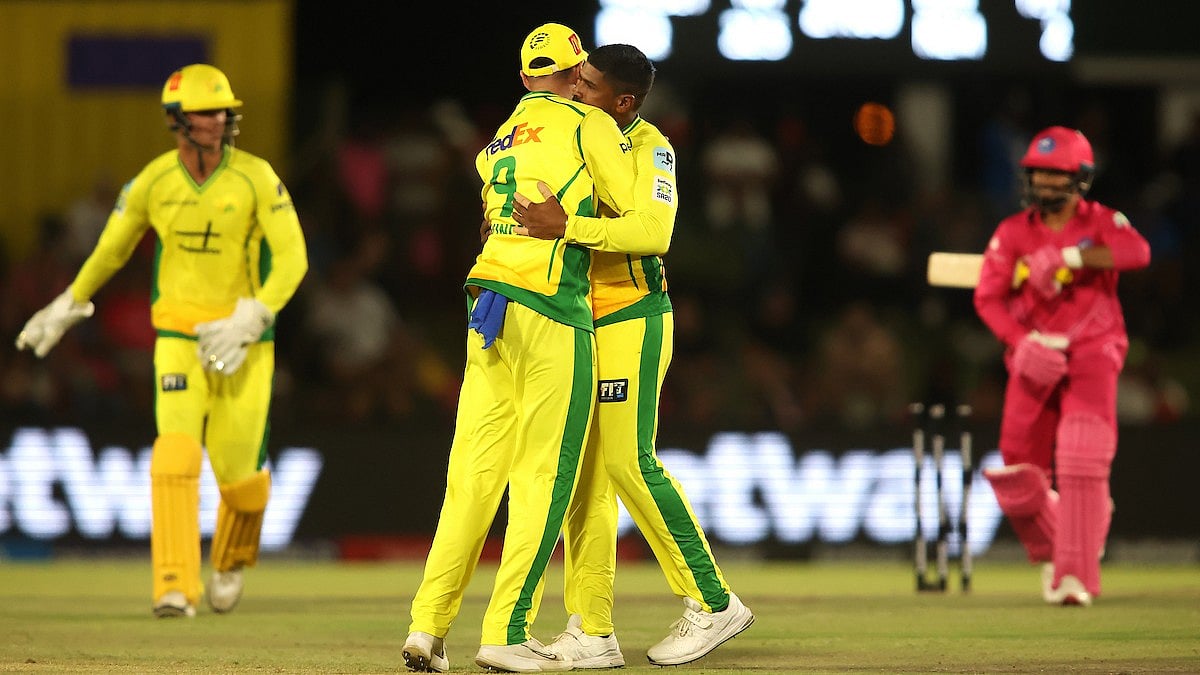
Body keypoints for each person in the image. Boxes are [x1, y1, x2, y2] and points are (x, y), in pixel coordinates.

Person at [401, 23, 654, 673]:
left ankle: (427, 628)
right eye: (583, 77)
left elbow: (494, 214)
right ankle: (508, 630)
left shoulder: (497, 141)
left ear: (523, 79)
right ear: (576, 76)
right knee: (545, 475)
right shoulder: (587, 124)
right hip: (551, 306)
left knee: (472, 478)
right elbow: (637, 217)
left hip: (486, 303)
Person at [14, 64, 308, 618]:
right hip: (177, 336)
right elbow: (112, 249)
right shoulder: (153, 182)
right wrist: (67, 303)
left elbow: (293, 255)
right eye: (204, 112)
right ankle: (174, 583)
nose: (217, 120)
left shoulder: (256, 176)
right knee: (173, 454)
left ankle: (231, 559)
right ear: (178, 120)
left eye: (222, 110)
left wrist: (255, 316)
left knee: (241, 479)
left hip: (245, 340)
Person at [510, 43, 754, 668]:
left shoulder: (651, 148)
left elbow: (655, 234)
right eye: (574, 78)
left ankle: (712, 599)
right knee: (587, 476)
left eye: (587, 85)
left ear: (623, 101)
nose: (574, 90)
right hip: (577, 322)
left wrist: (568, 228)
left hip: (632, 318)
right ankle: (592, 630)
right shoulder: (572, 136)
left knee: (627, 459)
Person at [973, 126, 1149, 606]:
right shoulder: (1012, 232)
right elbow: (987, 298)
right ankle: (1078, 529)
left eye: (1056, 176)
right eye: (1039, 175)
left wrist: (1075, 255)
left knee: (1081, 455)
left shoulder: (1103, 222)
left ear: (1080, 180)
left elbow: (1139, 251)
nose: (1045, 185)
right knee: (1016, 474)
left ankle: (1074, 576)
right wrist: (1020, 341)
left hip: (1094, 348)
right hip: (1035, 353)